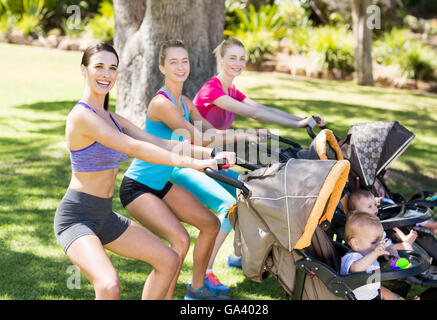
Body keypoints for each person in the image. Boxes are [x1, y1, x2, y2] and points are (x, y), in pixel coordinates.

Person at [54, 43, 222, 300]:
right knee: (109, 285)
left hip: (104, 215)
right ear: (83, 70)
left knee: (168, 260)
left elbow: (161, 142)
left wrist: (211, 155)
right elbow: (134, 147)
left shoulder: (113, 118)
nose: (106, 74)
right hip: (76, 217)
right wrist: (194, 164)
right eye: (99, 67)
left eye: (112, 68)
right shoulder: (81, 116)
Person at [177, 37, 327, 290]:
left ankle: (238, 255)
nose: (238, 63)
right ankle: (205, 274)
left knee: (242, 199)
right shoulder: (211, 91)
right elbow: (255, 114)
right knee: (230, 205)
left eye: (242, 58)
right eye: (232, 58)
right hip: (194, 159)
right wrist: (299, 124)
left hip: (212, 157)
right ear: (220, 59)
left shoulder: (230, 90)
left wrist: (301, 120)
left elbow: (260, 107)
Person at [119, 40, 238, 300]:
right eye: (173, 62)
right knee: (181, 240)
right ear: (162, 67)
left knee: (210, 224)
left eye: (184, 60)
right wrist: (215, 152)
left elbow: (210, 132)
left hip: (162, 184)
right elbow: (195, 137)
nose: (180, 66)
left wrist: (245, 136)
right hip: (138, 186)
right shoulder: (161, 104)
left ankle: (196, 289)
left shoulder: (184, 101)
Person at [341, 212, 412, 300]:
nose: (379, 245)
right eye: (374, 242)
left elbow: (379, 266)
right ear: (355, 243)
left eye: (381, 241)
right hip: (361, 298)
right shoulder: (352, 258)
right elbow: (356, 269)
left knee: (389, 294)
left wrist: (391, 260)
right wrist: (375, 253)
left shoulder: (368, 254)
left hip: (374, 292)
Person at [347, 189, 417, 250]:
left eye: (375, 205)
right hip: (381, 249)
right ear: (357, 212)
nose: (375, 208)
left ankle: (404, 239)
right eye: (369, 207)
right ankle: (406, 243)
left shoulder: (374, 218)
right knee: (406, 246)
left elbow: (391, 229)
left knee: (392, 227)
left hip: (387, 243)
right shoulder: (363, 227)